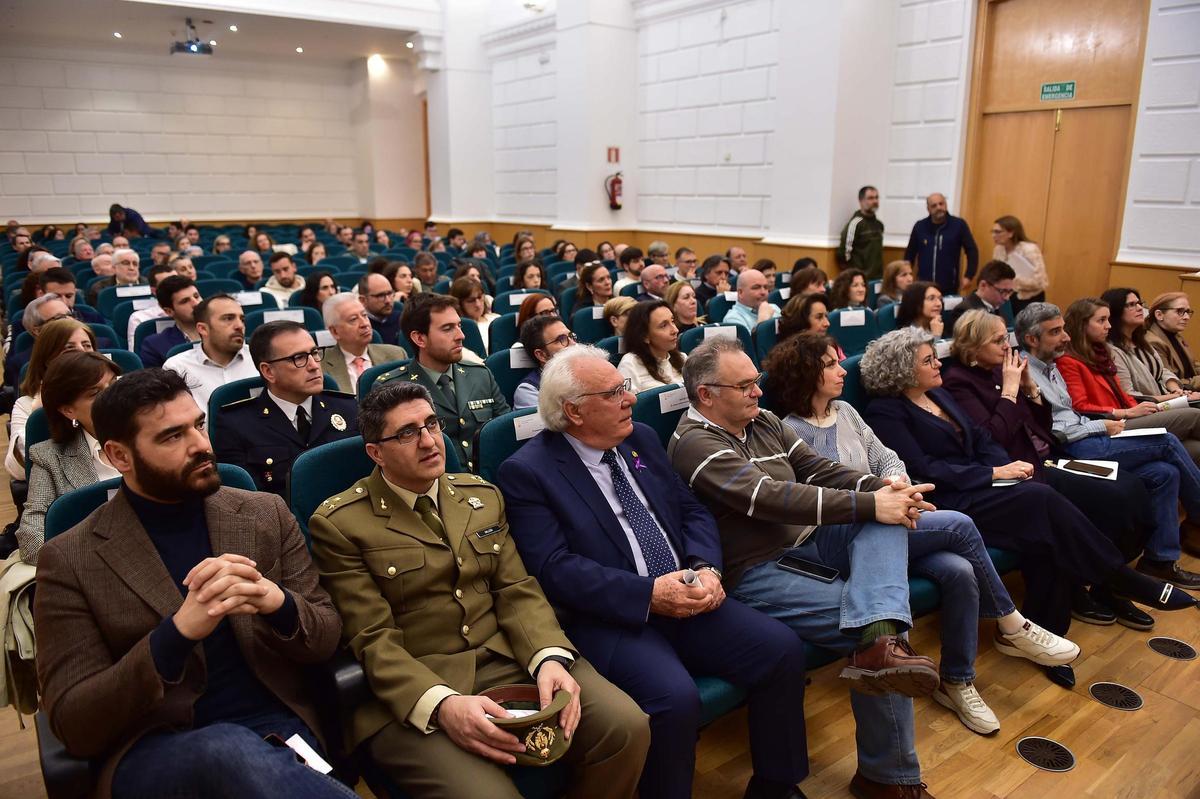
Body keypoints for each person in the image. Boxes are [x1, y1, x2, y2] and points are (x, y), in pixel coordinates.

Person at [307, 381, 650, 798]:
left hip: (509, 656)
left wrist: (547, 658)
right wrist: (443, 704)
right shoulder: (341, 523)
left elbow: (516, 589)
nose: (429, 441)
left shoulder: (480, 496)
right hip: (419, 683)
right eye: (407, 433)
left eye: (431, 424)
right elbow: (372, 638)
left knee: (626, 728)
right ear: (376, 453)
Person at [498, 346, 809, 799]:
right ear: (574, 411)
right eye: (614, 393)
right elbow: (554, 569)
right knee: (675, 699)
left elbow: (692, 511)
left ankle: (776, 786)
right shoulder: (529, 472)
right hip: (613, 617)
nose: (631, 399)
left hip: (686, 592)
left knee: (781, 649)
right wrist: (648, 595)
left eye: (625, 388)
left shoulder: (639, 438)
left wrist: (706, 568)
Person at [33, 368, 349, 799]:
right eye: (171, 436)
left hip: (278, 731)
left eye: (199, 425)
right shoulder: (70, 558)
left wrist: (279, 604)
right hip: (155, 749)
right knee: (226, 748)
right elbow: (75, 722)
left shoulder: (263, 514)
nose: (202, 445)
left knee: (247, 754)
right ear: (120, 457)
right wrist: (176, 635)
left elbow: (325, 637)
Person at [668, 338, 942, 798]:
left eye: (758, 381)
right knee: (878, 627)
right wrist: (871, 502)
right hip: (753, 570)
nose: (759, 391)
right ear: (707, 396)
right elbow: (767, 498)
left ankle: (880, 647)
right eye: (746, 385)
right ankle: (888, 780)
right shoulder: (693, 442)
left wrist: (886, 489)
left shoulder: (763, 421)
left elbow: (819, 470)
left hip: (806, 543)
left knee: (884, 525)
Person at [765, 332, 1078, 730]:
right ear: (804, 373)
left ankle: (957, 682)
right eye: (829, 364)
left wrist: (898, 487)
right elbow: (825, 496)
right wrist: (891, 498)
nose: (841, 369)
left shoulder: (845, 411)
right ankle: (1012, 624)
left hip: (891, 519)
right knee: (960, 524)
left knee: (960, 572)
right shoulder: (792, 430)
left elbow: (887, 458)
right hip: (848, 537)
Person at [861, 327, 1196, 686]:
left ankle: (1047, 635)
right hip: (950, 499)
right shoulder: (886, 412)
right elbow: (926, 470)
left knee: (1045, 532)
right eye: (928, 360)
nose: (937, 363)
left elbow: (982, 438)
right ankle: (1119, 578)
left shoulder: (938, 393)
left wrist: (1007, 467)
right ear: (901, 371)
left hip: (988, 485)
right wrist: (994, 472)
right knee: (1042, 501)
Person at [944, 310, 1159, 630]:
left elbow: (1042, 427)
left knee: (1129, 488)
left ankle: (1103, 585)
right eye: (998, 340)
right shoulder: (959, 383)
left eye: (1007, 337)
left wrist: (1030, 389)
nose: (1007, 346)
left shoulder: (1000, 371)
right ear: (972, 345)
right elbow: (991, 441)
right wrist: (1011, 390)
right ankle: (1096, 584)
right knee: (1104, 500)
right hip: (1016, 470)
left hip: (1046, 458)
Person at [1017, 302, 1200, 585]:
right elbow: (1055, 432)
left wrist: (1102, 424)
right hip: (1071, 450)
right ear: (1031, 339)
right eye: (1056, 332)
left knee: (1166, 473)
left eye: (1064, 329)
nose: (1066, 337)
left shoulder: (1051, 365)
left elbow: (1073, 414)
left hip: (1089, 436)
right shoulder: (1026, 373)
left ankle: (1159, 561)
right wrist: (1102, 424)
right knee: (1167, 441)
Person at [213, 322, 358, 495]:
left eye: (314, 353)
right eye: (298, 358)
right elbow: (247, 501)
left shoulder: (347, 408)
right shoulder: (236, 425)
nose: (313, 365)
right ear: (268, 372)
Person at [375, 294, 510, 470]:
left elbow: (505, 433)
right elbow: (396, 457)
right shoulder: (392, 389)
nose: (460, 335)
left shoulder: (480, 375)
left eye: (459, 326)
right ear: (419, 339)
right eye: (448, 329)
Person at [1058, 298, 1200, 463]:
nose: (1108, 326)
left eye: (1108, 320)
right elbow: (1079, 407)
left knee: (1195, 448)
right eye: (1101, 320)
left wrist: (1151, 407)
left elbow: (1125, 397)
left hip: (1130, 413)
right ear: (1082, 324)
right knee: (1195, 416)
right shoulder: (1068, 361)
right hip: (1109, 423)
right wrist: (1127, 412)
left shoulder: (1101, 352)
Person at [15, 352, 122, 564]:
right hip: (92, 571)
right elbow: (31, 537)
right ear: (68, 410)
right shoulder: (48, 457)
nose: (113, 397)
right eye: (95, 393)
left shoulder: (153, 439)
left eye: (114, 384)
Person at [5, 319, 97, 481]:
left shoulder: (115, 391)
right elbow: (18, 471)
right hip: (69, 483)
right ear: (48, 359)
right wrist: (39, 414)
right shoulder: (27, 404)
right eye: (69, 348)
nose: (82, 352)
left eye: (87, 345)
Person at [1103, 287, 1200, 404]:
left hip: (1166, 400)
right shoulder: (1113, 350)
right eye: (1132, 304)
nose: (1140, 308)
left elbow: (1162, 372)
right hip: (1143, 409)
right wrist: (1178, 397)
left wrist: (1176, 391)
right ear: (1115, 311)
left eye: (1139, 303)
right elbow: (1129, 395)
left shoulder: (1141, 342)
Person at [163, 294, 258, 410]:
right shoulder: (178, 368)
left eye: (242, 319)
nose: (239, 326)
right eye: (228, 318)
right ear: (203, 329)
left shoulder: (260, 358)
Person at [318, 294, 407, 394]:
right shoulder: (320, 366)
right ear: (335, 331)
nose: (364, 324)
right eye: (353, 319)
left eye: (364, 315)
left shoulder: (396, 355)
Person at [903, 193, 979, 295]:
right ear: (928, 209)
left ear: (946, 204)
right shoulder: (920, 226)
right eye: (934, 205)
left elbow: (972, 250)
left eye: (941, 204)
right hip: (923, 285)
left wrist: (969, 276)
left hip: (949, 286)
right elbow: (910, 254)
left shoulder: (958, 225)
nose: (939, 207)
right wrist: (905, 276)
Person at [5, 294, 73, 390]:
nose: (70, 321)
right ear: (37, 331)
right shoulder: (22, 364)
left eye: (70, 315)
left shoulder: (99, 344)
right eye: (59, 318)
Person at [618, 300, 686, 392]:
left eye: (672, 321)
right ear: (645, 336)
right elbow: (629, 404)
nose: (675, 330)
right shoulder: (630, 364)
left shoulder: (683, 358)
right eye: (664, 325)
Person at [513, 316, 576, 409]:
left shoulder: (588, 370)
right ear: (541, 355)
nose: (573, 343)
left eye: (571, 336)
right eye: (561, 339)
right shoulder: (529, 390)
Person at [139, 276, 202, 369]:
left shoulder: (223, 331)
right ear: (169, 311)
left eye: (196, 296)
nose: (196, 303)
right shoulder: (155, 345)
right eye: (185, 301)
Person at [990, 216, 1048, 315]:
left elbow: (1042, 282)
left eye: (998, 232)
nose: (993, 235)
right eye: (993, 231)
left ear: (1010, 233)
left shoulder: (1029, 249)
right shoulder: (998, 249)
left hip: (1028, 299)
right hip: (1006, 297)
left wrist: (1012, 281)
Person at [1145, 292, 1200, 391]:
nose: (1186, 317)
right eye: (1180, 311)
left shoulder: (1176, 335)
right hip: (1177, 396)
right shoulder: (1152, 341)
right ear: (1159, 315)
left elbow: (1194, 365)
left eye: (1188, 312)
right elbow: (1171, 380)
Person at [946, 260, 1014, 334]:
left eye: (1010, 292)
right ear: (983, 285)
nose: (1007, 297)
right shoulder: (964, 311)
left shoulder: (1001, 307)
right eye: (1002, 291)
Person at [837, 186, 884, 280]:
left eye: (876, 197)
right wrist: (854, 273)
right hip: (861, 278)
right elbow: (844, 253)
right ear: (861, 201)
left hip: (878, 277)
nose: (875, 201)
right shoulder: (855, 224)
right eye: (870, 198)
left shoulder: (879, 224)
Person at [778, 293, 843, 358]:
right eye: (819, 317)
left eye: (826, 316)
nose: (827, 323)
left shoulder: (831, 347)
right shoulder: (788, 359)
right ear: (800, 321)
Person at [125, 265, 175, 347]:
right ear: (154, 291)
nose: (177, 288)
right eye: (168, 285)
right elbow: (137, 353)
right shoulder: (140, 318)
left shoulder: (193, 312)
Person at [450, 277, 498, 355]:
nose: (478, 304)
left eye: (479, 297)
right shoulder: (459, 329)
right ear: (459, 304)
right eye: (470, 300)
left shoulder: (497, 319)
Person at [357, 273, 402, 346]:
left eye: (390, 293)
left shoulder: (403, 320)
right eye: (380, 296)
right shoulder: (358, 328)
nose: (388, 300)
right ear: (363, 300)